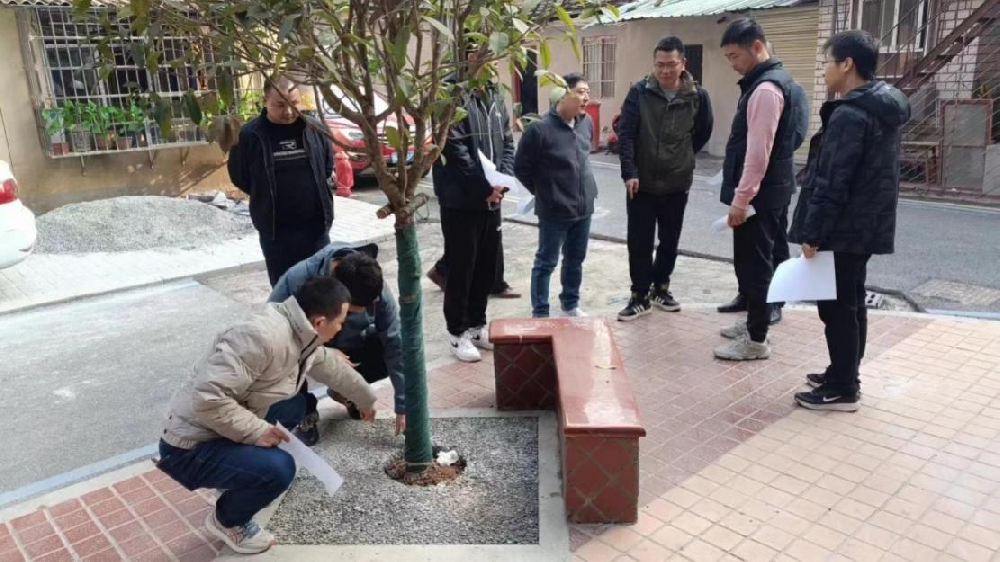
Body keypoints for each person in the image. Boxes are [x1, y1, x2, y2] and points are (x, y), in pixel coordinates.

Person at [157, 277, 376, 555]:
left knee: (294, 405)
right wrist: (256, 431)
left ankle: (237, 474)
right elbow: (208, 399)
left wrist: (367, 400)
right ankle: (228, 520)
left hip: (220, 427)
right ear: (320, 321)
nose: (342, 327)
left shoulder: (301, 333)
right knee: (279, 469)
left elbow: (331, 367)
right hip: (189, 446)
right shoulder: (260, 337)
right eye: (340, 321)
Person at [790, 31, 910, 411]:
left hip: (842, 229)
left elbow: (832, 181)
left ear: (847, 64)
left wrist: (813, 233)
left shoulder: (850, 114)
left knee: (837, 308)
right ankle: (843, 372)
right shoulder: (882, 108)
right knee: (852, 302)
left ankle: (843, 387)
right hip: (864, 226)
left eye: (827, 62)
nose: (824, 70)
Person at [714, 19, 804, 361]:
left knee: (756, 267)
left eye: (734, 56)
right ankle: (756, 323)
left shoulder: (766, 89)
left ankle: (756, 340)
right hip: (773, 190)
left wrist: (741, 199)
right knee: (760, 262)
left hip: (759, 196)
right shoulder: (778, 82)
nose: (732, 64)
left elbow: (758, 152)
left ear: (756, 47)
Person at [616, 37, 714, 321]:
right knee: (639, 241)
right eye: (659, 65)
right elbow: (626, 134)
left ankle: (661, 288)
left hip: (676, 182)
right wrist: (630, 172)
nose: (664, 71)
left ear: (683, 63)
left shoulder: (697, 96)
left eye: (670, 64)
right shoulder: (639, 92)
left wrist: (682, 157)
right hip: (642, 183)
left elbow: (702, 132)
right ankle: (639, 295)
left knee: (669, 240)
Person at [268, 243, 405, 443]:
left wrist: (404, 405)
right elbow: (275, 339)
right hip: (304, 346)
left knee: (385, 349)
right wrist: (321, 350)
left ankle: (343, 391)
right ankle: (306, 412)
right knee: (285, 377)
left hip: (348, 345)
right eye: (350, 312)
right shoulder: (297, 280)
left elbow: (396, 342)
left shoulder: (371, 282)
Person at [432, 66, 515, 363]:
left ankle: (477, 325)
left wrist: (501, 183)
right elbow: (455, 151)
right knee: (461, 268)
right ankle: (457, 332)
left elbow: (508, 141)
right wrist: (484, 188)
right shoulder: (450, 94)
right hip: (461, 201)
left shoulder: (493, 92)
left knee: (486, 266)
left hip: (492, 198)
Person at [228, 77, 336, 287]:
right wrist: (263, 193)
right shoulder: (249, 136)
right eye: (279, 105)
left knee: (324, 291)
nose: (288, 112)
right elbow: (240, 176)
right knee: (284, 290)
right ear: (265, 100)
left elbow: (326, 167)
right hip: (276, 233)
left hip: (315, 229)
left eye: (293, 104)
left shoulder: (314, 129)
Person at [514, 74, 598, 318]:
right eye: (580, 92)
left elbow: (583, 158)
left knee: (575, 259)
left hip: (584, 206)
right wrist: (544, 192)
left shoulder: (586, 122)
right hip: (554, 210)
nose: (586, 97)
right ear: (563, 95)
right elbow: (521, 168)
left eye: (588, 92)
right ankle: (540, 311)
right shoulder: (539, 129)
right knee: (545, 262)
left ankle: (570, 303)